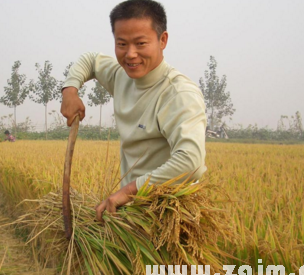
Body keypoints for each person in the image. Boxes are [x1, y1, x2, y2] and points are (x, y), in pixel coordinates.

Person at [61, 0, 207, 222]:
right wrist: (70, 90)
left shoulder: (178, 94)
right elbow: (90, 60)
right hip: (131, 211)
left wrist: (129, 191)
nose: (130, 54)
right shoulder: (122, 76)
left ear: (162, 40)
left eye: (140, 43)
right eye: (121, 44)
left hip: (167, 215)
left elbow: (190, 162)